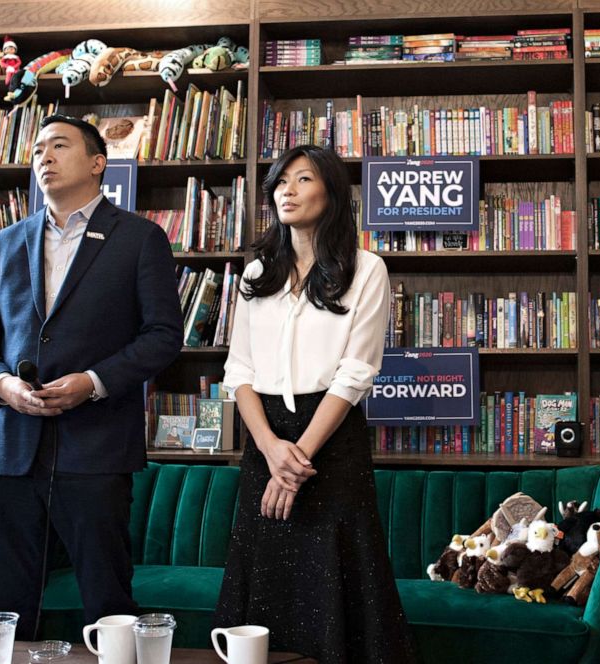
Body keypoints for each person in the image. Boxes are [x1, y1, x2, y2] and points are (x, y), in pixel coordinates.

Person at [0, 115, 183, 640]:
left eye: (58, 145)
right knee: (4, 607)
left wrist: (93, 380)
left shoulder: (139, 238)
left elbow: (162, 336)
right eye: (37, 149)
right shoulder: (6, 241)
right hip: (12, 450)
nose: (44, 156)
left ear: (98, 163)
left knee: (107, 601)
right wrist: (0, 385)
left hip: (98, 450)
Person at [213, 145, 414, 662]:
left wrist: (296, 459)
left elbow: (355, 374)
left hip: (329, 439)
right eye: (281, 181)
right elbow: (239, 371)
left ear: (332, 192)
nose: (287, 190)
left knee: (339, 579)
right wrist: (271, 451)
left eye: (302, 180)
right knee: (264, 576)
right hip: (266, 437)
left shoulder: (366, 269)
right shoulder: (258, 272)